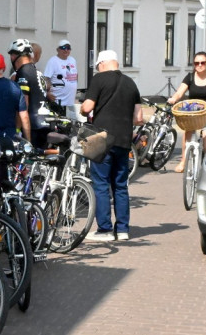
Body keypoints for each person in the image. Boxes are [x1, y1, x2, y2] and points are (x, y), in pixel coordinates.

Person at [80, 49, 143, 242]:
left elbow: (87, 107)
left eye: (98, 67)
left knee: (100, 183)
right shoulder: (131, 83)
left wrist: (83, 108)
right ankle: (123, 229)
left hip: (101, 137)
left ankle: (105, 229)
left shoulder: (99, 80)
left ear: (102, 64)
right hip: (123, 139)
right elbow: (139, 118)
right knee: (121, 185)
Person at [167, 51, 206, 173]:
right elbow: (179, 92)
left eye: (202, 62)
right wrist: (174, 98)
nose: (199, 65)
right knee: (187, 132)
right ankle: (183, 161)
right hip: (193, 114)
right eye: (196, 63)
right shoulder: (189, 77)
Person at [9, 38, 51, 147]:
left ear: (15, 56)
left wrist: (18, 129)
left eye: (11, 55)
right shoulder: (37, 71)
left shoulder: (23, 72)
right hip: (45, 123)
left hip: (33, 126)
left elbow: (23, 105)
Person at [0, 52, 29, 142]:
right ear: (4, 68)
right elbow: (24, 116)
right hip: (11, 137)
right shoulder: (15, 87)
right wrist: (28, 141)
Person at [44, 39, 79, 115]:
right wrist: (47, 93)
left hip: (70, 102)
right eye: (63, 48)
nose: (66, 50)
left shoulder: (72, 60)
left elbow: (76, 75)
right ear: (58, 49)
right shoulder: (53, 61)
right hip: (58, 101)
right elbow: (46, 78)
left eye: (68, 48)